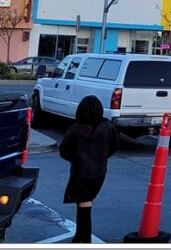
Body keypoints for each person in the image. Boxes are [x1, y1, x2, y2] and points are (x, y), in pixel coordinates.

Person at [59, 95, 119, 243]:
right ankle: (81, 235)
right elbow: (114, 146)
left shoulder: (76, 129)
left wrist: (75, 159)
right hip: (99, 171)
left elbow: (64, 150)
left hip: (81, 172)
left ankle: (84, 237)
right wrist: (102, 157)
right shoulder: (109, 127)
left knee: (83, 202)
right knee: (86, 201)